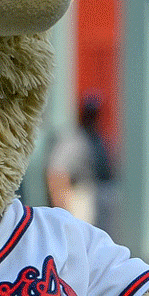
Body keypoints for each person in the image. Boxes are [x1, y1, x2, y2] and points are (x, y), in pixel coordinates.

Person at [43, 90, 116, 228]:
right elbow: (56, 172)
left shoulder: (97, 138)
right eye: (89, 113)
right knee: (80, 241)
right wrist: (62, 206)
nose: (92, 117)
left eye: (95, 113)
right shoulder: (72, 139)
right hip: (78, 197)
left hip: (98, 197)